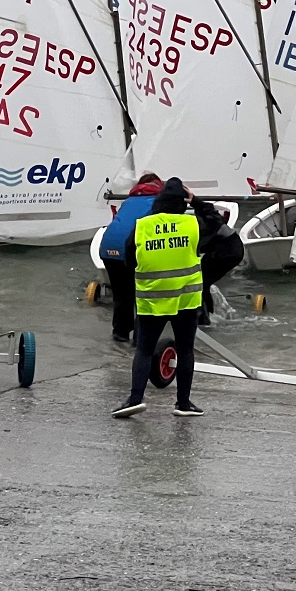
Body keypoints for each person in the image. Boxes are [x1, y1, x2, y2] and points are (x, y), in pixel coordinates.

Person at [113, 177, 205, 419]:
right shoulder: (192, 224)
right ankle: (183, 404)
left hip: (152, 300)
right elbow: (216, 224)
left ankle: (135, 399)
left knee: (144, 350)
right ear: (182, 202)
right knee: (185, 351)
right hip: (185, 300)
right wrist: (197, 202)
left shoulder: (143, 225)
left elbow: (129, 259)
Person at [97, 173, 164, 342]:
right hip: (131, 246)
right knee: (142, 296)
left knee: (121, 296)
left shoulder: (128, 201)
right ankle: (140, 342)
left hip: (108, 246)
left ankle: (120, 335)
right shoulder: (159, 203)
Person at [197, 199, 244, 324]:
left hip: (228, 251)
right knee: (202, 283)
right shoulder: (206, 215)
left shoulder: (205, 222)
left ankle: (205, 321)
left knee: (200, 284)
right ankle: (208, 317)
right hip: (229, 248)